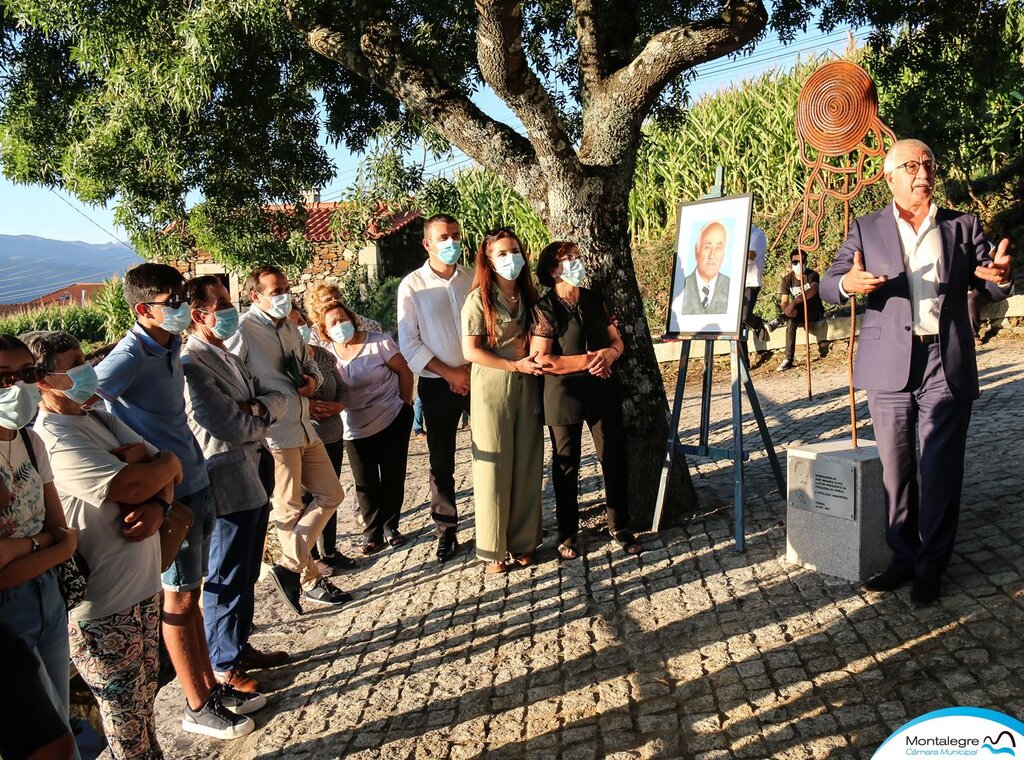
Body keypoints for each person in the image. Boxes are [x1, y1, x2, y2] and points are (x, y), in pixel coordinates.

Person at [820, 138, 1013, 605]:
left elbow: (991, 280)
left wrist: (1000, 278)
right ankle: (902, 558)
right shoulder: (866, 229)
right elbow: (828, 283)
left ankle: (932, 567)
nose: (922, 172)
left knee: (940, 470)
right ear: (889, 177)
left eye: (928, 164)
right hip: (888, 366)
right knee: (896, 471)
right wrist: (848, 283)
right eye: (910, 165)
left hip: (943, 362)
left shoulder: (961, 226)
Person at [94, 263, 259, 738]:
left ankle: (210, 687)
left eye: (185, 298)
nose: (185, 308)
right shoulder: (129, 355)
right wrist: (129, 455)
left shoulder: (165, 347)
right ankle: (196, 705)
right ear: (144, 309)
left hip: (194, 479)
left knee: (194, 593)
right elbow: (87, 402)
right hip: (170, 494)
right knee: (179, 597)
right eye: (174, 302)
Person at [28, 330, 182, 757]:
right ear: (43, 380)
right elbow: (133, 484)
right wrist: (150, 472)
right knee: (125, 720)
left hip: (144, 587)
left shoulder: (96, 415)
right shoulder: (54, 438)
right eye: (75, 362)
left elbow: (170, 468)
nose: (87, 368)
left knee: (145, 701)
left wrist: (160, 504)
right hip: (103, 607)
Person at [180, 277, 291, 695]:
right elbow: (227, 424)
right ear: (199, 315)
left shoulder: (225, 354)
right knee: (226, 569)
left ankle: (240, 646)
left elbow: (274, 394)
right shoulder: (192, 364)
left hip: (253, 467)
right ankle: (224, 663)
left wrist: (257, 407)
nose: (232, 310)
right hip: (224, 477)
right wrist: (258, 412)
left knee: (245, 568)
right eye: (223, 304)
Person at [227, 266, 349, 615]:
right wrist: (254, 411)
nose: (284, 295)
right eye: (276, 290)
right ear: (256, 296)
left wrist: (310, 382)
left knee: (332, 494)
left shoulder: (292, 329)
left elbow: (309, 367)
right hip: (275, 433)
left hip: (304, 426)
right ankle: (309, 581)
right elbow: (229, 379)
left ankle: (288, 566)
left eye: (285, 288)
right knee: (288, 508)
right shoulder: (243, 332)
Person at [530, 242, 642, 560]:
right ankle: (567, 533)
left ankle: (619, 525)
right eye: (569, 259)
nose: (577, 263)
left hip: (603, 388)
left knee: (614, 456)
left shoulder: (594, 299)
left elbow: (616, 339)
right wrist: (587, 361)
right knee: (567, 465)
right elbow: (541, 359)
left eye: (578, 257)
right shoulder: (545, 308)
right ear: (553, 269)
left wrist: (610, 353)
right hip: (563, 394)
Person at [0, 334, 81, 757]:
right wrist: (49, 544)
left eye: (26, 375)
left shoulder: (30, 442)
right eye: (3, 378)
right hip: (8, 613)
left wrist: (25, 547)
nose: (17, 387)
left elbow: (63, 532)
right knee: (42, 740)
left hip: (49, 595)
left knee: (60, 723)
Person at [461, 228, 544, 573]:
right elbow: (471, 350)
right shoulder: (478, 300)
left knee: (527, 463)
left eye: (515, 251)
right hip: (493, 386)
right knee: (493, 468)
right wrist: (512, 364)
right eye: (502, 254)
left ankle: (524, 541)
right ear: (489, 260)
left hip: (528, 383)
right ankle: (493, 548)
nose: (511, 259)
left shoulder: (529, 295)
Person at [397, 212, 474, 563]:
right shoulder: (412, 286)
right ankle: (446, 530)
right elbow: (409, 343)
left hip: (478, 376)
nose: (452, 243)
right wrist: (449, 373)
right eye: (444, 237)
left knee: (495, 446)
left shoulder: (472, 278)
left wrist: (471, 370)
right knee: (441, 461)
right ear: (427, 243)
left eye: (456, 236)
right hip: (436, 384)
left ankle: (499, 519)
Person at [316, 299, 414, 555]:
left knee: (393, 475)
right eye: (333, 323)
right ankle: (373, 534)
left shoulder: (378, 342)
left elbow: (404, 371)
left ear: (352, 318)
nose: (340, 325)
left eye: (343, 319)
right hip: (353, 428)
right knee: (365, 482)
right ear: (325, 330)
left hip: (391, 416)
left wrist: (405, 405)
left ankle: (392, 527)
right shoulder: (326, 355)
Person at [287, 302, 356, 576]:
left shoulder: (323, 356)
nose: (298, 329)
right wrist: (311, 406)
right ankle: (311, 556)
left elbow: (341, 387)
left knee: (331, 494)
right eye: (291, 325)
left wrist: (338, 406)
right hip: (305, 438)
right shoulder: (285, 363)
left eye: (300, 322)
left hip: (332, 434)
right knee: (308, 499)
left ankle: (330, 550)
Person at [775, 250, 827, 371]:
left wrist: (794, 303)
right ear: (791, 263)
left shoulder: (812, 275)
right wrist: (787, 310)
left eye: (802, 261)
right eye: (795, 262)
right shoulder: (787, 280)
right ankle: (788, 358)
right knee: (791, 321)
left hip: (813, 310)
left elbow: (813, 290)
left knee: (804, 299)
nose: (799, 264)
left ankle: (779, 320)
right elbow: (784, 302)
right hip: (798, 313)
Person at [674, 220, 732, 315]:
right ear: (697, 250)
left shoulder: (732, 287)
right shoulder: (682, 287)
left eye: (718, 248)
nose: (712, 255)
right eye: (707, 247)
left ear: (724, 253)